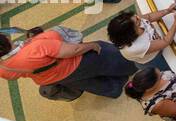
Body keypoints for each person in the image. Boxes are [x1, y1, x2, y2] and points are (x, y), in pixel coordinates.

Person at [0, 27, 136, 99]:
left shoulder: (3, 68)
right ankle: (132, 66)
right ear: (5, 39)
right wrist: (92, 46)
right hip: (76, 63)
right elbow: (73, 50)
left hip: (52, 78)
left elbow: (22, 71)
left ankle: (113, 89)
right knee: (107, 57)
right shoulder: (36, 47)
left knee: (89, 83)